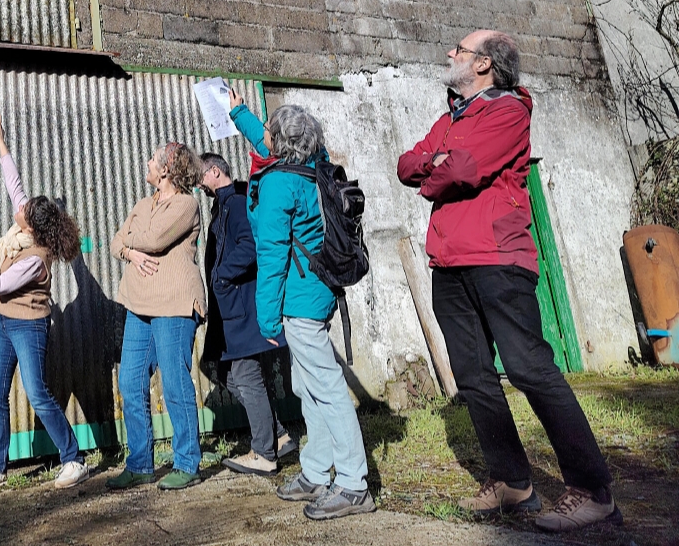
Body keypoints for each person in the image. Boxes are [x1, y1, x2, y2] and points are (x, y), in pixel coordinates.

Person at [396, 30, 618, 532]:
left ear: (484, 64)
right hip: (449, 261)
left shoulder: (509, 111)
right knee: (473, 377)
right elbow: (406, 165)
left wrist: (436, 169)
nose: (450, 53)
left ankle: (593, 490)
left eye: (460, 49)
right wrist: (434, 164)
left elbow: (464, 170)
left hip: (498, 257)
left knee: (529, 368)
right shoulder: (451, 118)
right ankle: (513, 482)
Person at [228, 90, 374, 521]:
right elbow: (272, 139)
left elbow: (272, 257)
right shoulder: (316, 163)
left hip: (299, 299)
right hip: (319, 288)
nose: (265, 138)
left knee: (326, 389)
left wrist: (267, 318)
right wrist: (240, 113)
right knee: (307, 387)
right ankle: (315, 470)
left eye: (270, 133)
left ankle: (353, 484)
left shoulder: (278, 184)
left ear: (279, 141)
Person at [0, 115, 87, 493]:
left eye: (23, 210)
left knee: (37, 393)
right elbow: (14, 185)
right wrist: (0, 141)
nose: (17, 208)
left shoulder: (35, 258)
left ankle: (74, 459)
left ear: (31, 226)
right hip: (5, 323)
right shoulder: (25, 231)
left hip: (29, 326)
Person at [106, 142, 206, 491]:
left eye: (152, 159)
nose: (147, 162)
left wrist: (131, 243)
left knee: (175, 383)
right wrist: (130, 252)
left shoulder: (186, 204)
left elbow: (155, 239)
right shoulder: (143, 205)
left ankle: (187, 462)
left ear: (166, 169)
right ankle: (140, 464)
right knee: (130, 382)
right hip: (140, 304)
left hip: (174, 303)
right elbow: (116, 243)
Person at [198, 152, 297, 476]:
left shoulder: (238, 203)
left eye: (201, 175)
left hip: (243, 306)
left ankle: (264, 453)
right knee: (224, 371)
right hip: (230, 309)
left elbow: (251, 246)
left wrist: (221, 275)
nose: (198, 183)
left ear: (215, 171)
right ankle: (278, 436)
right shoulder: (224, 205)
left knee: (245, 375)